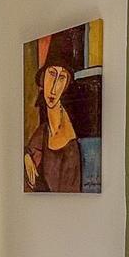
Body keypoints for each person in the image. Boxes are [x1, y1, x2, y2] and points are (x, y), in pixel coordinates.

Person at [24, 42, 82, 192]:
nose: (54, 87)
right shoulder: (43, 130)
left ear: (66, 85)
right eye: (52, 74)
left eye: (61, 78)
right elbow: (28, 151)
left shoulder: (70, 145)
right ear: (43, 78)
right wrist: (26, 157)